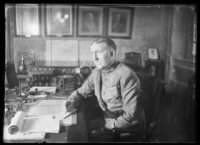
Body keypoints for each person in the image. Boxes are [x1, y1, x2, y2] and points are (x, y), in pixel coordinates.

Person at [65, 38, 145, 140]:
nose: (94, 58)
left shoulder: (126, 75)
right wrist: (72, 100)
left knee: (81, 136)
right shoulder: (97, 72)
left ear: (112, 53)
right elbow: (81, 92)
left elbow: (130, 116)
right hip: (107, 118)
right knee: (76, 129)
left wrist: (108, 126)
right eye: (92, 53)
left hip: (125, 126)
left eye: (99, 52)